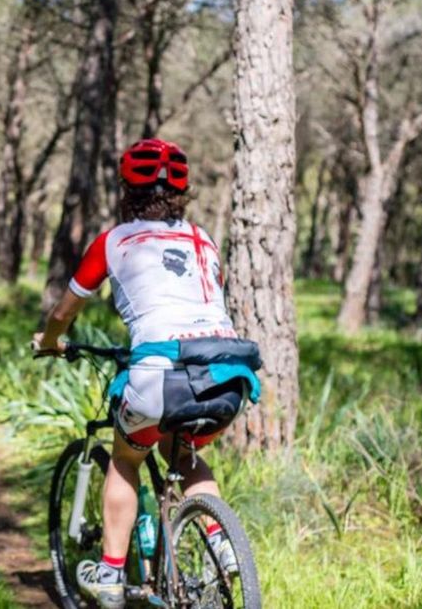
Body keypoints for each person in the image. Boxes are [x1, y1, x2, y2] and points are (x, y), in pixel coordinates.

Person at [33, 138, 261, 609]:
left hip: (160, 374)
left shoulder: (114, 241)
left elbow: (66, 309)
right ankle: (221, 542)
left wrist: (51, 340)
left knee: (125, 457)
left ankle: (112, 576)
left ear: (125, 190)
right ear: (182, 192)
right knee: (187, 454)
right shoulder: (203, 239)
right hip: (228, 374)